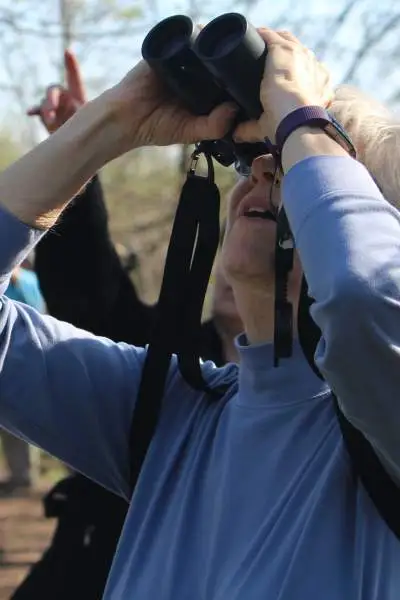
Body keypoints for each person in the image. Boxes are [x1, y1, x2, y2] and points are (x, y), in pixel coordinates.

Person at [0, 26, 398, 600]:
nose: (264, 172)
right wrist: (113, 123)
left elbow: (366, 295)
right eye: (257, 158)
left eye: (301, 164)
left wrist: (302, 118)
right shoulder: (170, 412)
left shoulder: (384, 432)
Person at [10, 50, 242, 600]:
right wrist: (85, 145)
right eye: (242, 220)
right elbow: (94, 298)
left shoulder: (350, 419)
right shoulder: (168, 366)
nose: (242, 247)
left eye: (287, 224)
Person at [0, 267, 44, 495]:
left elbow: (37, 311)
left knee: (20, 419)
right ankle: (19, 474)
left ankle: (24, 475)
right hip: (7, 357)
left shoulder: (28, 281)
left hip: (22, 355)